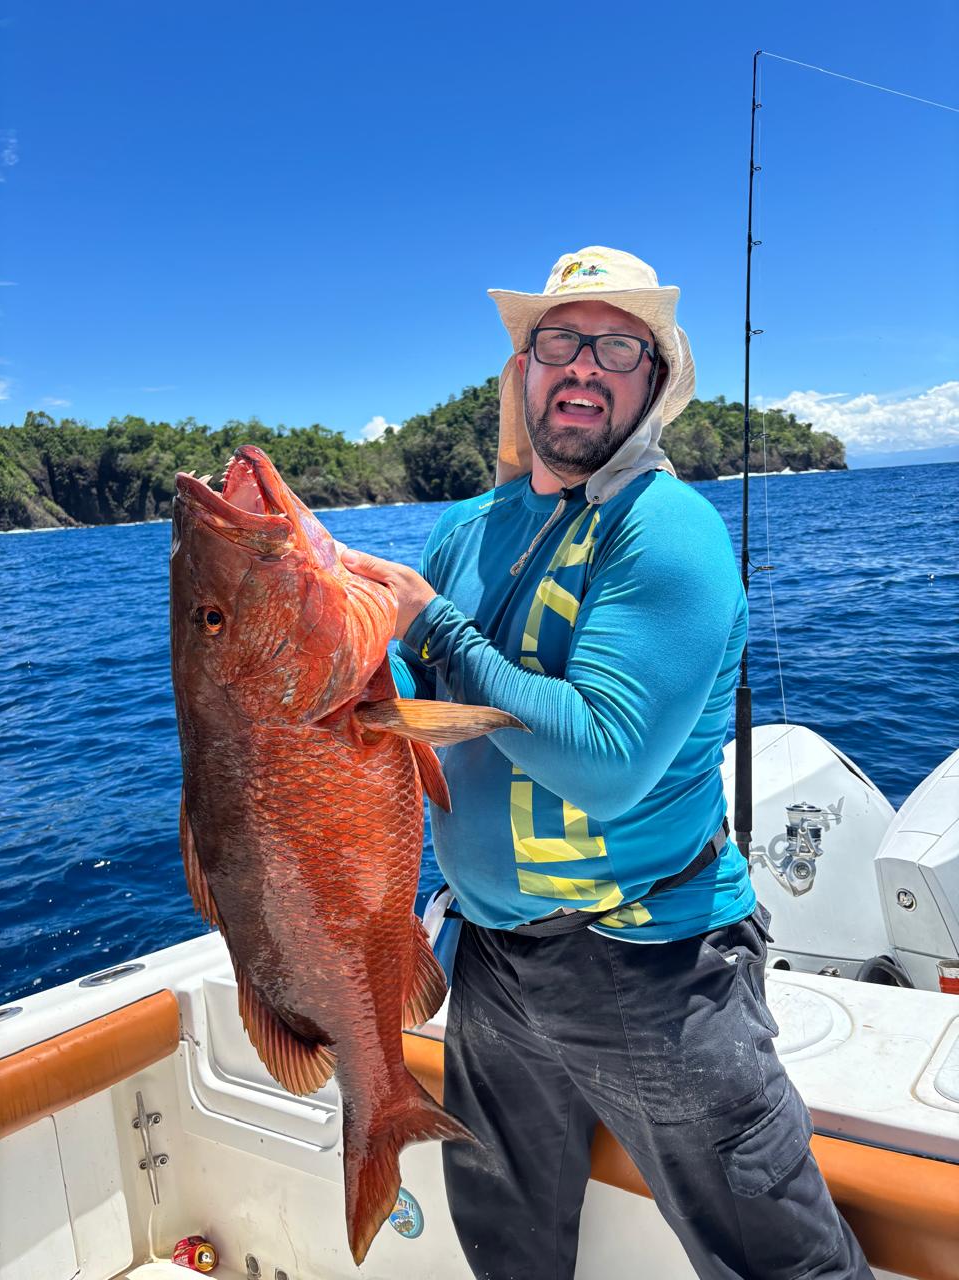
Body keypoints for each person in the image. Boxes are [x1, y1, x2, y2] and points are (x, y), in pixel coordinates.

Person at [341, 247, 873, 1280]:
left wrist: (437, 623)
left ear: (656, 378)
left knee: (779, 1261)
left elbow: (604, 759)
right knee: (508, 1247)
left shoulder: (668, 532)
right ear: (523, 370)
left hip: (653, 965)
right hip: (491, 958)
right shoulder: (466, 528)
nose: (583, 367)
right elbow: (385, 698)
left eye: (617, 346)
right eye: (559, 341)